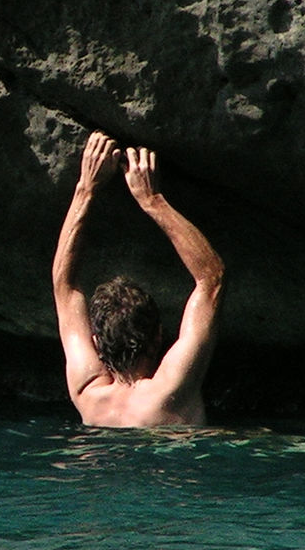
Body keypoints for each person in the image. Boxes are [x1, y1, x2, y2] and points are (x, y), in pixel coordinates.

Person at [51, 131, 224, 428]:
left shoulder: (87, 393)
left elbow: (63, 286)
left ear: (96, 342)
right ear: (158, 337)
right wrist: (152, 200)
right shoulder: (169, 391)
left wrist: (86, 188)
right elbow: (212, 279)